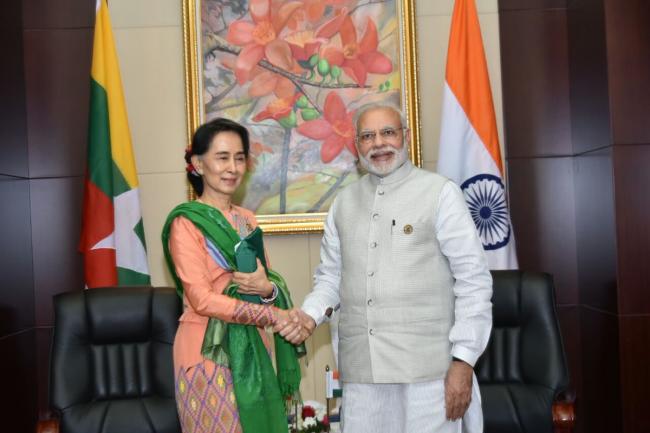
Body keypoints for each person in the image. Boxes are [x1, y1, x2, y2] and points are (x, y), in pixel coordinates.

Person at [275, 103, 493, 433]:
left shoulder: (440, 193)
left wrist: (463, 361)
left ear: (406, 136)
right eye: (367, 136)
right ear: (356, 146)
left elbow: (473, 280)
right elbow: (331, 277)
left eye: (388, 132)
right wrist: (310, 315)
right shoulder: (343, 204)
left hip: (429, 373)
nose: (378, 143)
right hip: (363, 374)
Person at [162, 118, 303, 433]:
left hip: (254, 347)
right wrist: (274, 316)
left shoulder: (247, 219)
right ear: (198, 164)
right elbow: (201, 300)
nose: (233, 168)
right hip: (207, 350)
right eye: (222, 157)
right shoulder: (186, 222)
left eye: (239, 158)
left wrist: (268, 292)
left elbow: (267, 284)